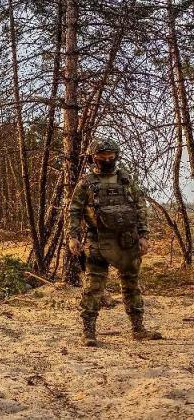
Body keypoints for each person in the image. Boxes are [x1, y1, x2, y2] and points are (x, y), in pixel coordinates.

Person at [68, 137, 162, 347]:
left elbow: (140, 207)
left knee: (131, 285)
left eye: (111, 156)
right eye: (102, 157)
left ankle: (138, 329)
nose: (107, 160)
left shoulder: (126, 180)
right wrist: (73, 237)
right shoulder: (86, 184)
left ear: (116, 156)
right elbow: (74, 211)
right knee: (93, 287)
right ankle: (88, 333)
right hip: (98, 240)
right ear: (94, 158)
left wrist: (144, 236)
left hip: (127, 241)